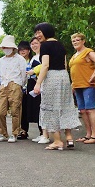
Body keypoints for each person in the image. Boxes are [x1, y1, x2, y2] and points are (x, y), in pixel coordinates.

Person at [33, 22, 81, 150]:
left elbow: (45, 65)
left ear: (46, 31)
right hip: (64, 76)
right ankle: (69, 138)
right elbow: (65, 64)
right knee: (65, 105)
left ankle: (58, 141)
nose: (37, 35)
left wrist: (38, 84)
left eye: (39, 32)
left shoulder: (45, 46)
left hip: (52, 77)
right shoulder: (60, 45)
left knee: (51, 107)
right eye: (36, 33)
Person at [70, 33, 95, 144]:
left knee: (90, 109)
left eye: (77, 40)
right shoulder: (74, 55)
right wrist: (73, 84)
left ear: (83, 41)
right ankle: (88, 134)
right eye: (73, 40)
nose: (75, 42)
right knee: (83, 110)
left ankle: (94, 136)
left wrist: (93, 76)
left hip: (88, 85)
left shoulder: (88, 52)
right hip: (77, 85)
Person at [0, 36, 27, 143]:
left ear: (13, 47)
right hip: (3, 84)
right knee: (0, 112)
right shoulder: (2, 60)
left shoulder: (20, 59)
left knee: (15, 111)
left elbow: (23, 74)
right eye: (4, 47)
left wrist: (20, 85)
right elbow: (1, 73)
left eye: (7, 47)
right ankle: (3, 133)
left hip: (15, 83)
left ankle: (14, 133)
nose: (5, 49)